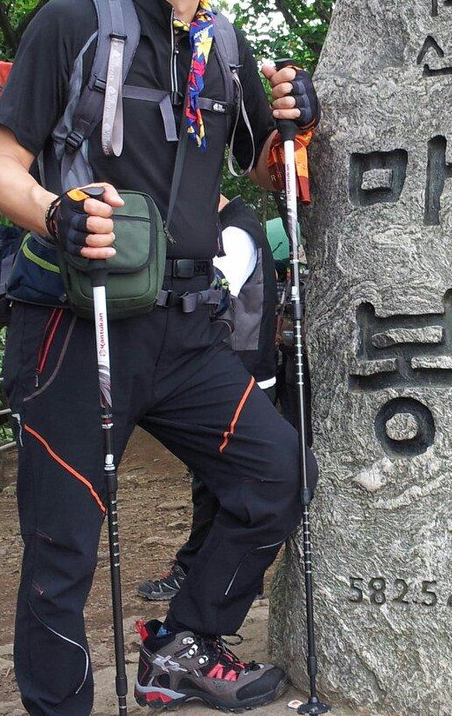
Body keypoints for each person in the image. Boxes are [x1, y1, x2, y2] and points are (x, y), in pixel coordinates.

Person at [0, 0, 319, 712]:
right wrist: (57, 212)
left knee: (278, 472)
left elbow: (273, 174)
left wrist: (301, 115)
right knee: (62, 550)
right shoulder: (72, 26)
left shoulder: (225, 49)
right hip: (75, 325)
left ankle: (183, 646)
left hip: (188, 333)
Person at [138, 195, 280, 602]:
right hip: (242, 368)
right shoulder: (235, 224)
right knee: (221, 482)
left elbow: (214, 299)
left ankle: (200, 572)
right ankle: (226, 576)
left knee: (219, 483)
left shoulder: (234, 233)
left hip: (239, 371)